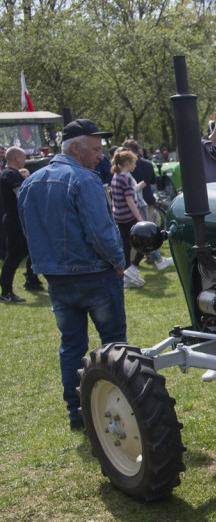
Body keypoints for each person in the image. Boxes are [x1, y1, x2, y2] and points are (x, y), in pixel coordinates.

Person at [18, 119, 127, 430]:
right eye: (95, 149)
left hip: (56, 278)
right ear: (76, 148)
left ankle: (77, 413)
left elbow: (29, 232)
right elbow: (101, 232)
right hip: (94, 274)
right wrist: (119, 260)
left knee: (71, 345)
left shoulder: (30, 183)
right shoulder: (84, 180)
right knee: (114, 346)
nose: (101, 156)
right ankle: (121, 407)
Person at [1, 147, 44, 302]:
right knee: (14, 256)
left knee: (30, 251)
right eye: (23, 158)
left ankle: (31, 280)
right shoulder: (11, 174)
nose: (25, 161)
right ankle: (6, 292)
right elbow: (22, 195)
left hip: (16, 218)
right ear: (16, 158)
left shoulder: (8, 173)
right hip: (15, 219)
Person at [122, 140, 172, 270]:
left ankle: (145, 258)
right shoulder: (147, 164)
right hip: (146, 199)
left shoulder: (127, 168)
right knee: (147, 230)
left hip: (138, 202)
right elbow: (153, 180)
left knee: (144, 232)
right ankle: (150, 258)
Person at [110, 149, 149, 288]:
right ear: (127, 163)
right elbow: (130, 201)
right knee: (144, 242)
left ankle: (126, 272)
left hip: (119, 216)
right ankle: (133, 267)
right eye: (133, 163)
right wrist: (140, 219)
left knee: (126, 245)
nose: (135, 166)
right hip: (128, 215)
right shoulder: (125, 178)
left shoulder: (115, 176)